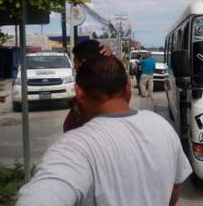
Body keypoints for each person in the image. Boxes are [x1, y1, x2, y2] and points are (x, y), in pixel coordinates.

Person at [16, 56, 192, 206]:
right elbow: (175, 187)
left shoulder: (74, 147)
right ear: (128, 87)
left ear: (79, 92)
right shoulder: (161, 126)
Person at [63, 40, 132, 132]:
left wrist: (111, 59)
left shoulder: (88, 86)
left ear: (84, 62)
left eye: (75, 62)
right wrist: (112, 59)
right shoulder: (110, 82)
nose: (74, 67)